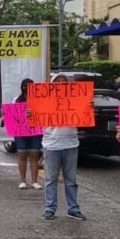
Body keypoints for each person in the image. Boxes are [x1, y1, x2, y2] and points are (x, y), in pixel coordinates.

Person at [36, 74, 85, 221]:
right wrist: (31, 114)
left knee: (71, 179)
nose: (61, 84)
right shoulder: (44, 101)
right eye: (58, 82)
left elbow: (83, 121)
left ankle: (73, 208)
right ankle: (50, 208)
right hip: (51, 144)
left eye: (64, 82)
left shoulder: (76, 100)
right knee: (51, 179)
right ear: (51, 85)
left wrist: (87, 108)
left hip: (71, 143)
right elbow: (34, 120)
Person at [14, 77, 42, 190]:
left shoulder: (39, 100)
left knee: (34, 155)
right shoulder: (16, 100)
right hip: (21, 131)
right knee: (22, 154)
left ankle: (34, 181)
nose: (27, 89)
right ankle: (23, 180)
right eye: (25, 87)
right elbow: (12, 115)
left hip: (35, 131)